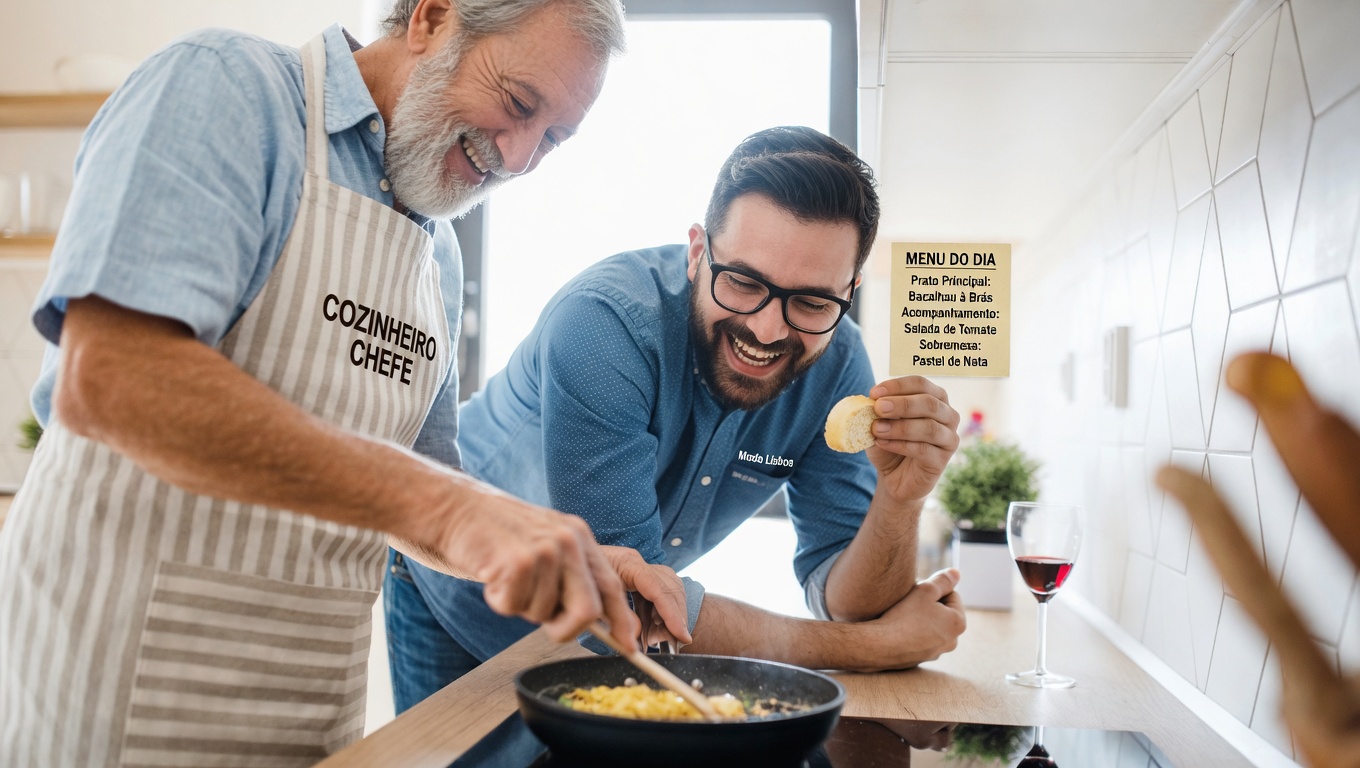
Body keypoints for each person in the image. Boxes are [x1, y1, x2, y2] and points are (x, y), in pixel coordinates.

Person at [0, 1, 643, 765]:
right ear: (432, 19)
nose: (517, 156)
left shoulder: (435, 257)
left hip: (312, 713)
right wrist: (453, 509)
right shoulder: (230, 90)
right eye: (518, 104)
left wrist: (560, 554)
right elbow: (111, 377)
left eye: (554, 140)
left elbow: (427, 490)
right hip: (117, 691)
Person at [386, 126, 969, 712]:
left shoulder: (839, 361)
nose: (768, 331)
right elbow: (626, 610)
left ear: (850, 290)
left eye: (813, 302)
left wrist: (901, 499)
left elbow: (845, 597)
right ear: (698, 252)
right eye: (743, 281)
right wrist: (869, 647)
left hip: (615, 651)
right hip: (459, 605)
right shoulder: (603, 324)